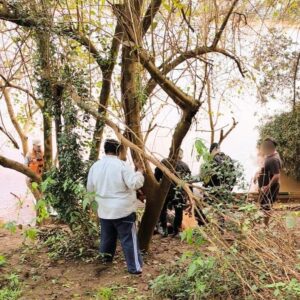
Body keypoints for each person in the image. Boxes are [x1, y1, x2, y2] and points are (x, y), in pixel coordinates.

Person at [87, 139, 144, 275]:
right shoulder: (122, 166)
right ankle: (134, 268)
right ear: (119, 151)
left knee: (107, 238)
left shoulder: (95, 166)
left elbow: (90, 188)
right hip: (123, 211)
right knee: (128, 239)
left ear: (105, 150)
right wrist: (140, 171)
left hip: (104, 210)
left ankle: (105, 262)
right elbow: (135, 184)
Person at [154, 149, 191, 237]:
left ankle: (164, 229)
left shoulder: (164, 162)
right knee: (178, 211)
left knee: (162, 210)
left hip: (165, 191)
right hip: (179, 192)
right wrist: (188, 195)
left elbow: (156, 177)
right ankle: (176, 231)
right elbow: (189, 181)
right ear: (181, 155)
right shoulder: (184, 166)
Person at [255, 138, 282, 226]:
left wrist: (267, 187)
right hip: (265, 187)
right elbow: (265, 167)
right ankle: (264, 223)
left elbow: (277, 175)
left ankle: (265, 226)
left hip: (270, 188)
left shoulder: (274, 159)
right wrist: (257, 173)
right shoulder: (269, 155)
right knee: (263, 205)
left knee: (266, 206)